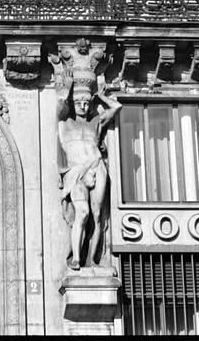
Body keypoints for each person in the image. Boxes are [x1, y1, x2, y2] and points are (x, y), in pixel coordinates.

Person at [56, 68, 121, 270]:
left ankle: (93, 260)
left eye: (86, 103)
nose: (83, 106)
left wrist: (101, 95)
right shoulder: (64, 123)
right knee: (82, 213)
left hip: (97, 165)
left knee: (97, 215)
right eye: (78, 103)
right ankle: (76, 258)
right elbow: (59, 107)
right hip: (76, 173)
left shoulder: (95, 123)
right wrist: (67, 89)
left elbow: (117, 106)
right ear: (73, 104)